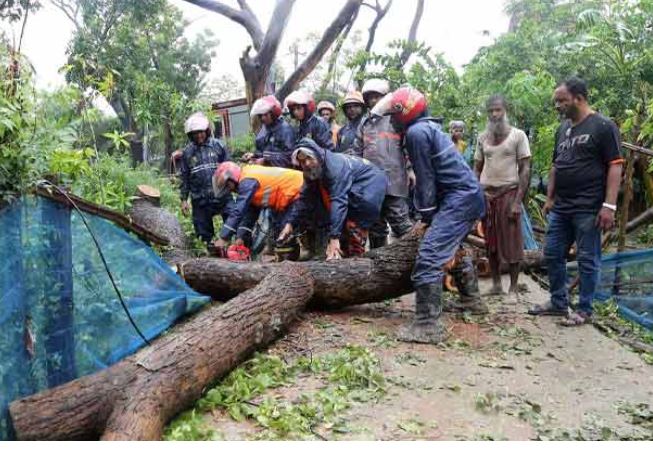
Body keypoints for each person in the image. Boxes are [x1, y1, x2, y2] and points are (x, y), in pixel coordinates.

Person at [372, 87, 486, 344]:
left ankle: (427, 325)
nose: (391, 120)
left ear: (405, 112)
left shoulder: (417, 132)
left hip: (459, 199)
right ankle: (472, 301)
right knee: (452, 248)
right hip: (464, 197)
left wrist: (426, 216)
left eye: (394, 115)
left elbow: (425, 178)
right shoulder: (428, 128)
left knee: (429, 256)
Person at [529, 77, 623, 326]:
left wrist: (609, 205)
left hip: (589, 207)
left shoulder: (603, 126)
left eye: (561, 100)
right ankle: (559, 303)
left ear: (578, 98)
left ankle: (584, 309)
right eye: (556, 101)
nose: (557, 105)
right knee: (551, 253)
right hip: (562, 206)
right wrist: (549, 198)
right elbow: (556, 166)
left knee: (587, 258)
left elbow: (615, 166)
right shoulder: (564, 129)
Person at [278, 138, 387, 260]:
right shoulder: (311, 171)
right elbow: (304, 199)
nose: (307, 164)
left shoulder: (334, 168)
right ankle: (345, 257)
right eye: (302, 161)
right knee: (339, 226)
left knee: (353, 226)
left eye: (309, 158)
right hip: (354, 186)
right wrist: (290, 224)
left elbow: (339, 201)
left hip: (369, 184)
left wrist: (334, 237)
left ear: (317, 156)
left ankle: (357, 260)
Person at [474, 95, 531, 302]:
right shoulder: (482, 138)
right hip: (487, 195)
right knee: (491, 243)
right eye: (490, 111)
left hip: (509, 194)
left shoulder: (518, 136)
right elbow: (477, 168)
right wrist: (476, 194)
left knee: (513, 243)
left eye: (498, 110)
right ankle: (497, 285)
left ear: (505, 111)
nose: (494, 114)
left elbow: (525, 169)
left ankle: (513, 288)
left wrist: (517, 201)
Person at [352, 78, 414, 248]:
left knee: (401, 222)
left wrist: (410, 170)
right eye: (370, 97)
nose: (373, 101)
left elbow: (408, 147)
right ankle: (380, 264)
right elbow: (357, 152)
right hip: (371, 183)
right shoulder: (364, 123)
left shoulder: (397, 119)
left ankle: (415, 259)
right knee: (375, 225)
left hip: (394, 180)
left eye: (377, 96)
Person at [212, 162, 305, 261]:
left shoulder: (247, 180)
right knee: (279, 233)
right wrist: (241, 237)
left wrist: (223, 238)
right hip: (288, 198)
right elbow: (249, 214)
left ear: (232, 177)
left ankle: (290, 268)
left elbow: (238, 211)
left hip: (298, 191)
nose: (229, 189)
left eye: (228, 185)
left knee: (284, 234)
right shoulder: (248, 179)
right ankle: (288, 263)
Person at [179, 112, 234, 249]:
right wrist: (183, 199)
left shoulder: (219, 146)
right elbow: (185, 177)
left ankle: (237, 251)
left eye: (201, 132)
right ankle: (211, 259)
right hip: (200, 199)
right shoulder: (187, 153)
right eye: (195, 133)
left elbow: (230, 168)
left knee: (235, 223)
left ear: (207, 131)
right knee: (204, 236)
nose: (199, 136)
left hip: (223, 196)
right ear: (190, 134)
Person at [244, 95, 295, 168]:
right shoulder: (264, 129)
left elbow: (289, 157)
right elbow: (262, 151)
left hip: (283, 174)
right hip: (268, 172)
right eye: (260, 115)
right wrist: (254, 155)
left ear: (273, 113)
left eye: (265, 114)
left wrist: (266, 160)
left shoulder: (285, 130)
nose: (263, 118)